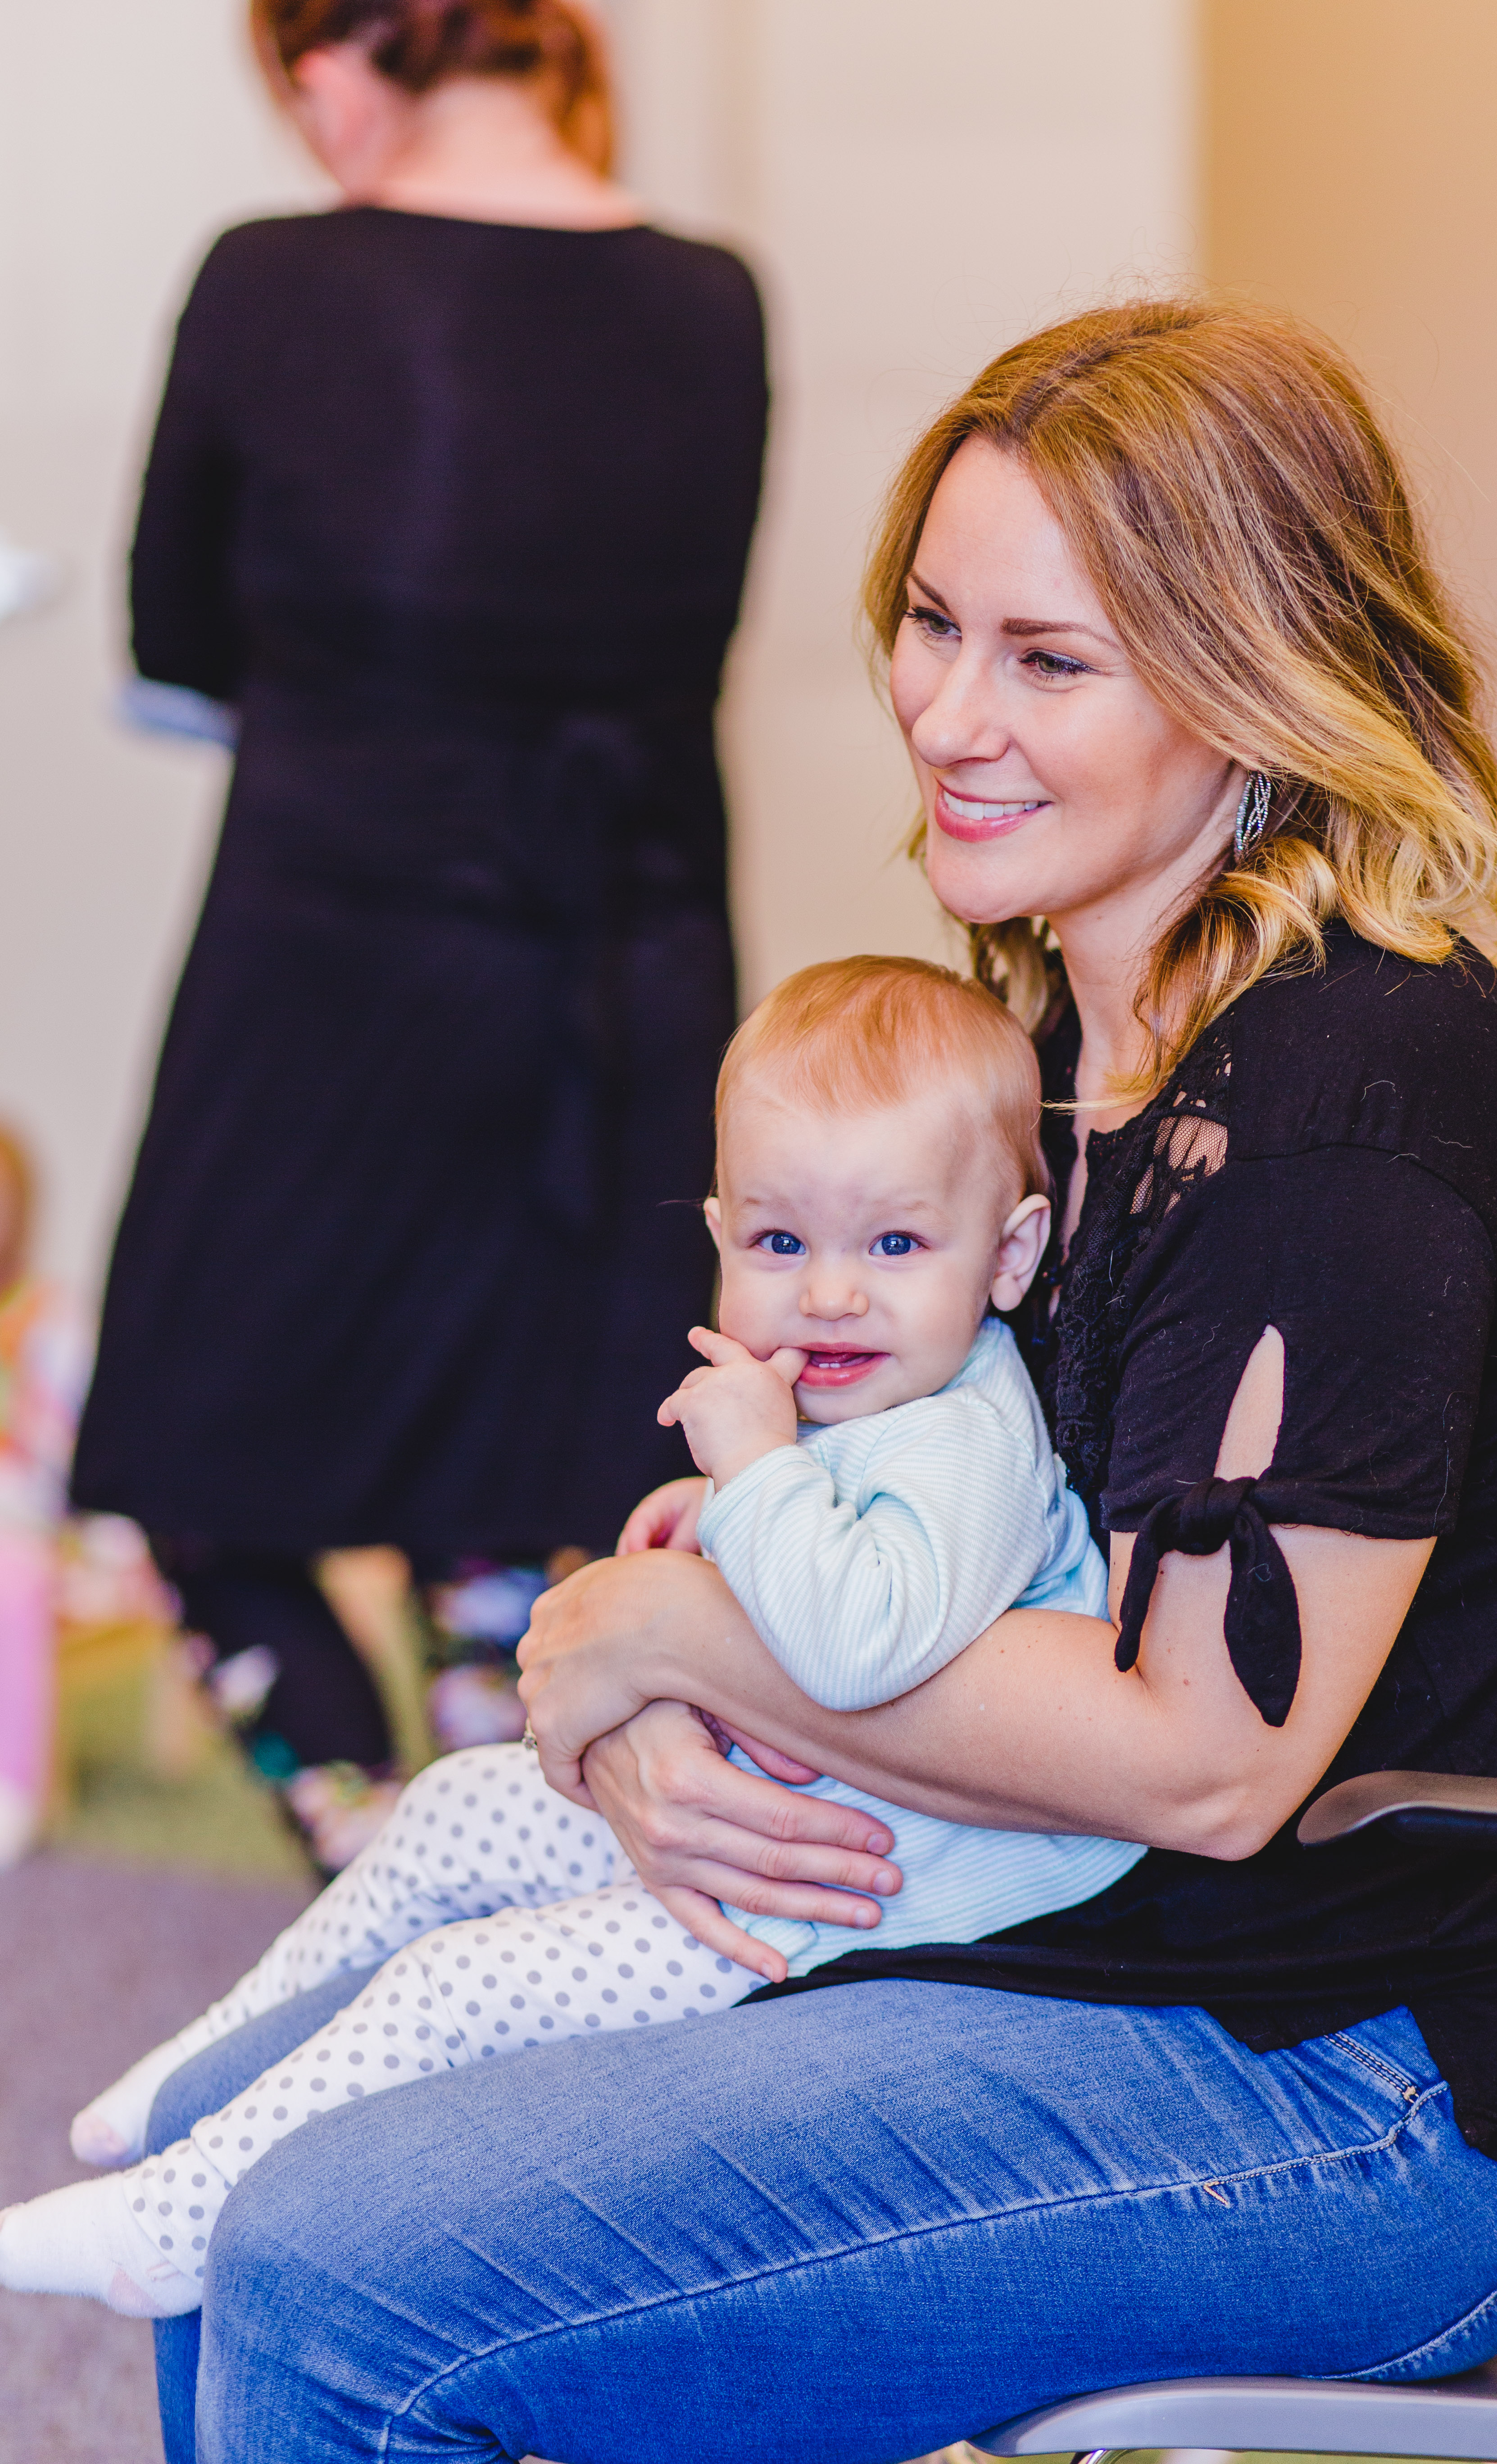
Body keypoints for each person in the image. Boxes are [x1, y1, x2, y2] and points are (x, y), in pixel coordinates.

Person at [95, 298, 1497, 2463]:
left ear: (1251, 676)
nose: (944, 713)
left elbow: (1202, 1758)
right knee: (250, 2140)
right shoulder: (1044, 1041)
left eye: (1048, 659)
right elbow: (842, 1498)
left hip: (1350, 2074)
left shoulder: (1346, 1100)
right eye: (931, 622)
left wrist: (669, 1634)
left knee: (333, 2268)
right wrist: (637, 1707)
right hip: (1052, 1927)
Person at [0, 956, 1149, 2315]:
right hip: (799, 1825)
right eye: (779, 1245)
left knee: (459, 1990)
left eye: (895, 1246)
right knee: (447, 1814)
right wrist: (722, 1508)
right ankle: (206, 2069)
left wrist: (757, 1474)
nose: (831, 1295)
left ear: (1009, 1254)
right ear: (721, 1235)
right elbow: (831, 1557)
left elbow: (860, 1645)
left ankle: (167, 2232)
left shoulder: (965, 1442)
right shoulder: (884, 1395)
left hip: (862, 1898)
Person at [68, 0, 767, 1863]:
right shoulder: (715, 303)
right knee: (539, 1458)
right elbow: (688, 645)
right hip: (622, 961)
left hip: (334, 954)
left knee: (200, 1453)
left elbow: (174, 643)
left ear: (331, 67)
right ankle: (489, 1792)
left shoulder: (272, 281)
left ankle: (359, 1820)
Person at [0, 1128, 89, 1867]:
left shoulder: (50, 1317)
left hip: (40, 1525)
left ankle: (12, 1790)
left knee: (12, 1576)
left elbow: (76, 1453)